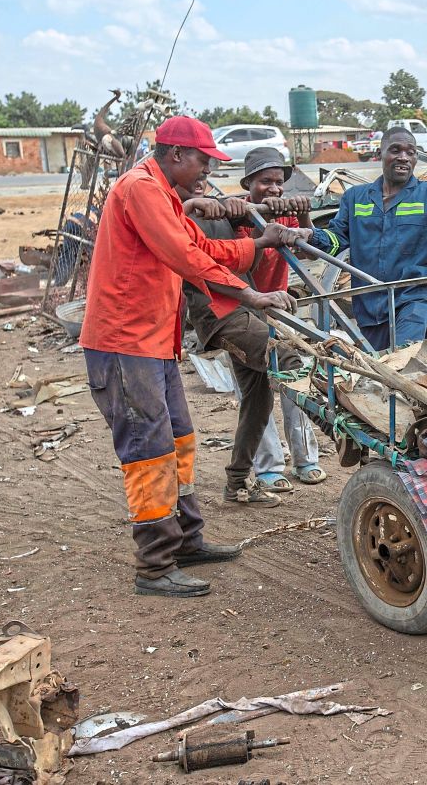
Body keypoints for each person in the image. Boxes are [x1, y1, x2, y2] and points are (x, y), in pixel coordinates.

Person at [80, 115, 302, 598]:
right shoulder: (140, 189)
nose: (208, 171)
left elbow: (201, 244)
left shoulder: (164, 194)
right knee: (149, 451)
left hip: (155, 342)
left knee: (179, 440)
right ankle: (155, 565)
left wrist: (257, 244)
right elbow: (184, 255)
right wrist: (249, 295)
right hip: (124, 343)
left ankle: (185, 540)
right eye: (204, 160)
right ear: (177, 154)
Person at [182, 147, 327, 501]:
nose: (202, 184)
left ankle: (237, 481)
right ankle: (337, 428)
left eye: (206, 177)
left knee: (258, 398)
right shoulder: (185, 217)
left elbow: (299, 248)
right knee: (290, 359)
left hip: (253, 309)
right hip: (222, 314)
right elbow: (208, 264)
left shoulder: (229, 211)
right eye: (195, 179)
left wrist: (282, 217)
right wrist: (253, 235)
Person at [304, 126, 427, 351]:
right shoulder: (355, 198)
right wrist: (310, 234)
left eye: (411, 152)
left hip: (414, 297)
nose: (403, 157)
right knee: (379, 364)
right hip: (369, 303)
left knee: (403, 356)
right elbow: (336, 239)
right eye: (395, 150)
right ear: (380, 153)